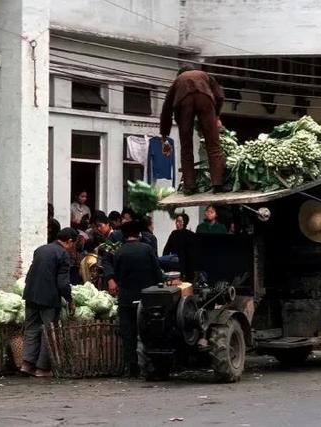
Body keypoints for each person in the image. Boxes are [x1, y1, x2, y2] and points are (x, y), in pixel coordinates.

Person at [160, 65, 226, 195]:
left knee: (186, 147)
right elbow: (219, 96)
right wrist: (216, 116)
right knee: (213, 145)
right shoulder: (205, 76)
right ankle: (218, 184)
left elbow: (166, 110)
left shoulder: (177, 81)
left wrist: (164, 138)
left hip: (184, 103)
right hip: (205, 99)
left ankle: (189, 186)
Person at [21, 227, 78, 377]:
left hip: (31, 294)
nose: (73, 248)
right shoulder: (63, 254)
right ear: (69, 241)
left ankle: (27, 364)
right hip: (49, 298)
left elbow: (31, 273)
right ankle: (42, 368)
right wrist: (70, 299)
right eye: (74, 244)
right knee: (49, 331)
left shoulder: (41, 249)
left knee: (31, 329)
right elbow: (63, 284)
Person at [110, 220, 163, 377]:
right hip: (147, 299)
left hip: (126, 299)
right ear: (138, 234)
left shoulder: (119, 252)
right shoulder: (147, 249)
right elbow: (157, 273)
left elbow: (117, 275)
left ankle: (131, 367)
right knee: (147, 331)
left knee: (128, 333)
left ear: (125, 236)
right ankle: (150, 365)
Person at [161, 213, 195, 280]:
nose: (177, 223)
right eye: (176, 221)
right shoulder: (174, 233)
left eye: (179, 221)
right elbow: (167, 248)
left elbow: (192, 252)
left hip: (187, 264)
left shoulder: (190, 235)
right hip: (174, 262)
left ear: (185, 222)